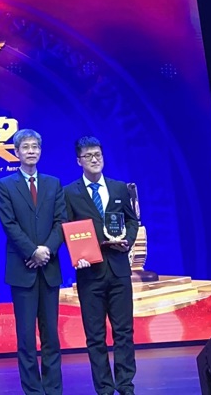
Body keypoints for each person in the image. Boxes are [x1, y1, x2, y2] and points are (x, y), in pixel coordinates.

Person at [62, 138, 140, 395]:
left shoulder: (119, 188)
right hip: (89, 273)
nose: (94, 159)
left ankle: (125, 385)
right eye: (88, 156)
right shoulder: (69, 192)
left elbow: (132, 220)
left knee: (124, 331)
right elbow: (66, 228)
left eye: (97, 154)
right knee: (95, 336)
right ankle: (104, 388)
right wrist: (77, 254)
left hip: (118, 270)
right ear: (79, 161)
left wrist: (127, 241)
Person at [0, 127, 65, 395]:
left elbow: (60, 222)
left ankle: (53, 389)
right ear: (16, 152)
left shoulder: (53, 183)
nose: (31, 151)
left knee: (51, 337)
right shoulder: (5, 185)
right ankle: (33, 391)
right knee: (26, 337)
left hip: (49, 268)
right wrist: (32, 251)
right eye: (25, 147)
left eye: (35, 146)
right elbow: (9, 224)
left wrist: (46, 250)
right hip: (22, 269)